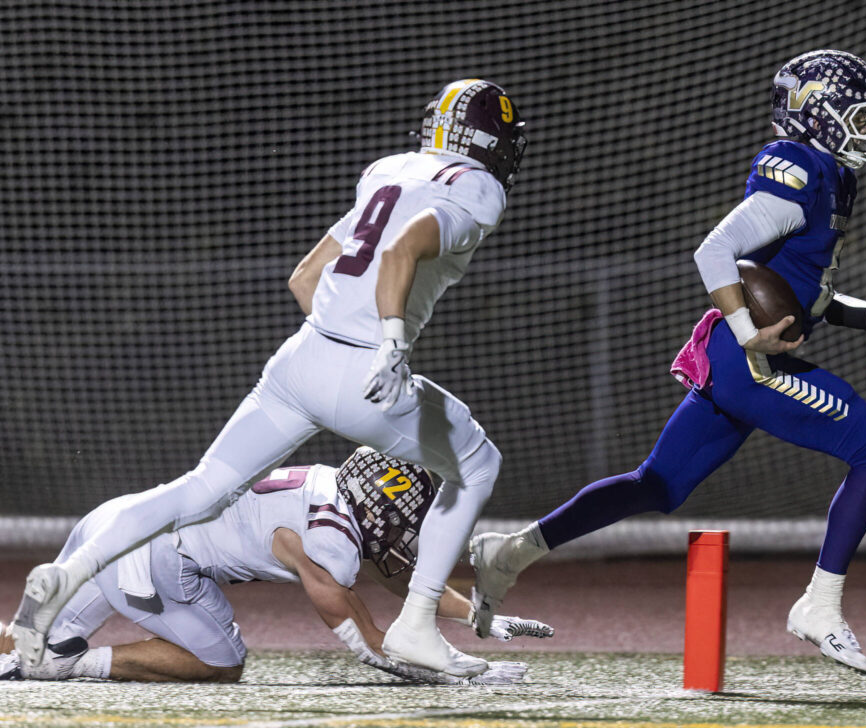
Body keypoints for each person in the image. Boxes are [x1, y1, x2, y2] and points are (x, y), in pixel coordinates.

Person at [13, 79, 528, 678]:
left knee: (199, 489)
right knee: (477, 463)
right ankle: (416, 625)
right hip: (365, 372)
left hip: (301, 360)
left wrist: (336, 343)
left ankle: (69, 572)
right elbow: (399, 252)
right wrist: (387, 341)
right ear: (489, 143)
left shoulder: (388, 170)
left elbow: (305, 277)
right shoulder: (479, 188)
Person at [470, 50, 866, 674]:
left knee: (657, 485)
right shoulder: (799, 167)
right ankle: (819, 604)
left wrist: (864, 315)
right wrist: (748, 334)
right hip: (750, 366)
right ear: (817, 115)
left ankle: (509, 554)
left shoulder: (836, 176)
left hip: (738, 362)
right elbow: (716, 251)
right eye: (858, 116)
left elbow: (798, 290)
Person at [1, 448, 552, 684]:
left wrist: (477, 614)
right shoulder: (330, 542)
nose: (410, 532)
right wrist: (460, 671)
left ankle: (45, 647)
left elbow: (400, 577)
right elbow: (371, 645)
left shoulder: (331, 489)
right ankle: (72, 665)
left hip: (119, 518)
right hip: (155, 561)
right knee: (223, 663)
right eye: (405, 519)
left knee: (26, 641)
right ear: (377, 509)